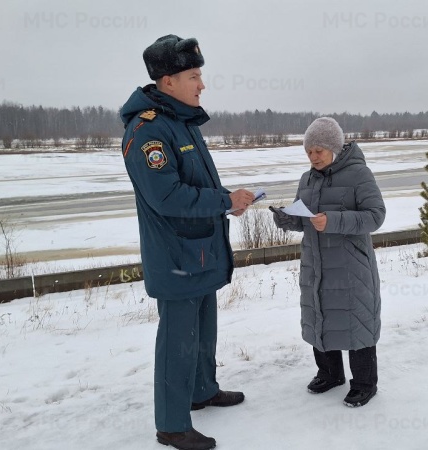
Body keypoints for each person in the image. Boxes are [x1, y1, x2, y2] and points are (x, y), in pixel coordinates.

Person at [120, 34, 254, 450]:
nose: (202, 84)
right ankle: (172, 424)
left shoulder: (182, 123)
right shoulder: (149, 132)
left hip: (200, 252)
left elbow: (197, 183)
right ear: (167, 81)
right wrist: (223, 201)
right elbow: (167, 196)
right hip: (177, 257)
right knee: (177, 341)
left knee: (203, 332)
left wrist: (226, 201)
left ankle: (201, 391)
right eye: (194, 75)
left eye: (201, 75)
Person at [271, 117, 385, 407]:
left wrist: (333, 221)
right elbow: (305, 219)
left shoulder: (359, 174)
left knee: (356, 320)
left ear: (334, 147)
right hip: (316, 264)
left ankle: (364, 383)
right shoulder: (307, 178)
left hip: (351, 267)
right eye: (309, 151)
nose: (313, 157)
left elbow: (375, 216)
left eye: (319, 150)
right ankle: (330, 373)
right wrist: (288, 218)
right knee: (319, 317)